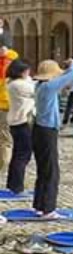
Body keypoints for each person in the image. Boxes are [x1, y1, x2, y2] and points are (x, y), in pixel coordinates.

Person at [32, 59, 73, 218]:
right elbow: (70, 76)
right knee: (52, 170)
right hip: (47, 131)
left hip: (39, 129)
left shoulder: (40, 86)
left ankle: (39, 205)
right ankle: (49, 209)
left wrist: (69, 67)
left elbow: (64, 77)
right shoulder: (47, 87)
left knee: (43, 169)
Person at [6, 59, 35, 194]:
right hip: (22, 121)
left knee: (18, 154)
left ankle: (12, 184)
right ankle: (17, 187)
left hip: (16, 121)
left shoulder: (12, 83)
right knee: (23, 155)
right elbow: (36, 90)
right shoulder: (19, 85)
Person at [0, 46, 20, 175]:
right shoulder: (11, 75)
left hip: (5, 106)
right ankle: (2, 165)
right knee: (6, 139)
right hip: (6, 107)